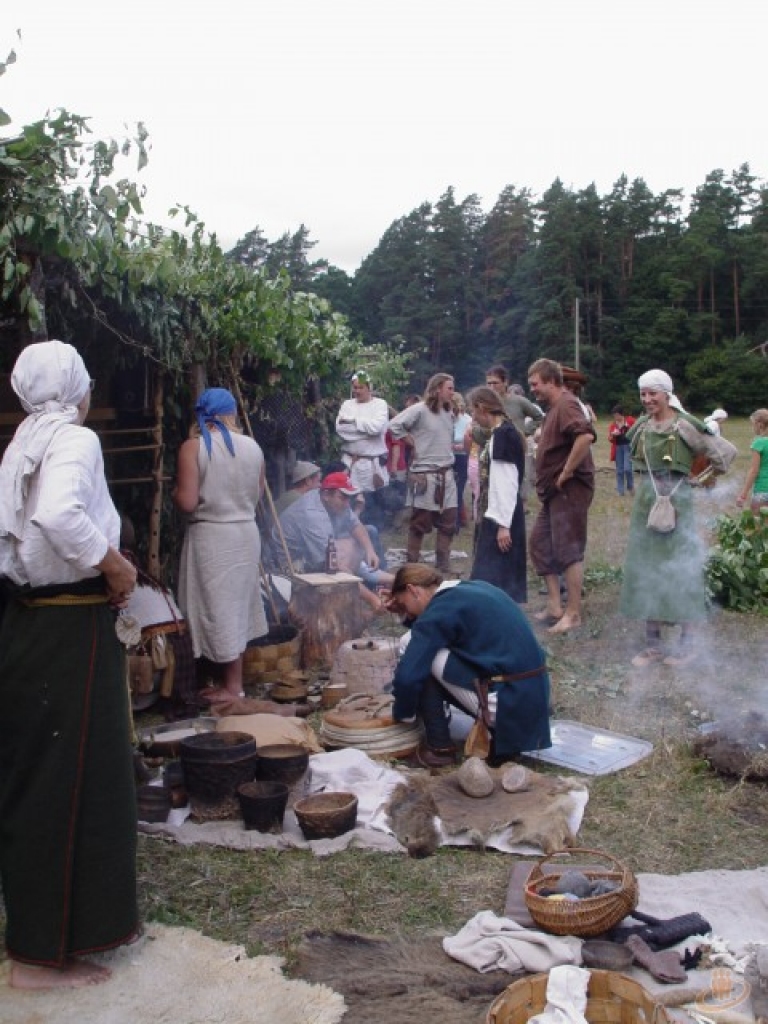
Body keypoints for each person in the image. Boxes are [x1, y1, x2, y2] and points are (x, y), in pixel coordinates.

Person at [0, 339, 139, 989]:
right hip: (69, 625)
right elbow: (58, 515)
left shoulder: (25, 442)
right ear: (77, 388)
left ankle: (49, 938)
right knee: (73, 781)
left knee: (42, 780)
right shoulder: (72, 440)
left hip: (31, 621)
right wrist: (113, 564)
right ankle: (40, 955)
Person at [619, 369, 736, 667]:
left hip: (678, 503)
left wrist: (699, 480)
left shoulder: (685, 425)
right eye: (643, 394)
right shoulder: (642, 427)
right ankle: (654, 645)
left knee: (682, 570)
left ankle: (688, 647)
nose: (647, 399)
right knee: (647, 569)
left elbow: (724, 455)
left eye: (652, 393)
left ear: (666, 394)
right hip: (647, 503)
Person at [385, 565, 551, 768]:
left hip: (510, 706)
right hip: (532, 698)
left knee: (412, 650)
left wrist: (403, 714)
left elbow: (408, 675)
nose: (406, 611)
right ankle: (491, 736)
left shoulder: (442, 608)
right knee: (421, 649)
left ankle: (440, 749)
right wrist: (406, 615)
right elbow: (432, 630)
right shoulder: (471, 589)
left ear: (413, 590)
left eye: (404, 605)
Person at [174, 387, 268, 699]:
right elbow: (257, 492)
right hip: (245, 532)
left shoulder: (193, 447)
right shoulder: (253, 447)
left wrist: (174, 492)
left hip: (213, 535)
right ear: (231, 414)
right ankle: (228, 682)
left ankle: (231, 687)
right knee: (236, 606)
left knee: (214, 608)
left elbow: (187, 502)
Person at [528, 358, 596, 633]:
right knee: (540, 544)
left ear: (551, 381)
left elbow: (585, 437)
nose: (533, 390)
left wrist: (567, 472)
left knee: (568, 549)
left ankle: (573, 613)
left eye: (535, 385)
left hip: (569, 490)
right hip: (553, 493)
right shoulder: (553, 408)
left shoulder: (567, 403)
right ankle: (555, 606)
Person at [276, 471, 392, 609]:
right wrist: (371, 599)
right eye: (343, 497)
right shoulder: (312, 515)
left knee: (355, 544)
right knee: (343, 552)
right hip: (287, 565)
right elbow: (334, 564)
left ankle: (379, 581)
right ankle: (345, 600)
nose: (347, 502)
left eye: (349, 497)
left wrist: (370, 551)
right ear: (326, 495)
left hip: (310, 553)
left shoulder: (333, 500)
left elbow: (355, 524)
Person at [387, 373, 458, 571]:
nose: (453, 392)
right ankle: (412, 564)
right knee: (420, 522)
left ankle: (443, 563)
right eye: (449, 388)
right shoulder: (419, 410)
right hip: (425, 474)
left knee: (448, 521)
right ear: (437, 389)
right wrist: (407, 439)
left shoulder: (448, 412)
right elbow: (394, 425)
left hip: (447, 473)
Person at [467, 386, 527, 603]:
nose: (472, 416)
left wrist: (503, 525)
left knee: (494, 578)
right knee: (492, 578)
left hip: (502, 515)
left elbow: (506, 482)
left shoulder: (503, 435)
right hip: (498, 511)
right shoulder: (500, 433)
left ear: (481, 408)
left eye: (473, 411)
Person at [335, 369, 390, 528]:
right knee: (349, 504)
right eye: (355, 387)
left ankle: (372, 542)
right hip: (350, 464)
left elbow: (377, 429)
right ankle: (349, 538)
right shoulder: (347, 404)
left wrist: (352, 421)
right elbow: (341, 430)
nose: (357, 391)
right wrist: (366, 431)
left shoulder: (380, 404)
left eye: (360, 387)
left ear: (369, 387)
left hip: (372, 467)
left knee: (373, 509)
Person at [485, 364, 544, 435]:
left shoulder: (518, 401)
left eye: (495, 383)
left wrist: (525, 431)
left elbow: (539, 418)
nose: (492, 387)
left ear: (505, 382)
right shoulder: (485, 405)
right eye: (489, 384)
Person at [736, 408, 768, 512]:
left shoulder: (759, 443)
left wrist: (743, 494)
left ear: (760, 424)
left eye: (753, 424)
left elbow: (754, 470)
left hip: (763, 490)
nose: (752, 428)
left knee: (760, 527)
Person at [451, 391, 472, 529]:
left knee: (458, 490)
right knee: (448, 490)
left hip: (462, 458)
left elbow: (470, 442)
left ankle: (457, 521)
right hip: (447, 458)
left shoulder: (467, 420)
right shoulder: (445, 419)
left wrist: (458, 446)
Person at [608, 405, 636, 496]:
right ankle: (620, 491)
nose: (615, 417)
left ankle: (630, 487)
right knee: (619, 470)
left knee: (627, 468)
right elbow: (610, 438)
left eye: (616, 415)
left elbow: (637, 430)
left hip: (628, 446)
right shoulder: (613, 425)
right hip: (618, 448)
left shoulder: (630, 420)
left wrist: (628, 427)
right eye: (614, 415)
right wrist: (613, 435)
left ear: (621, 414)